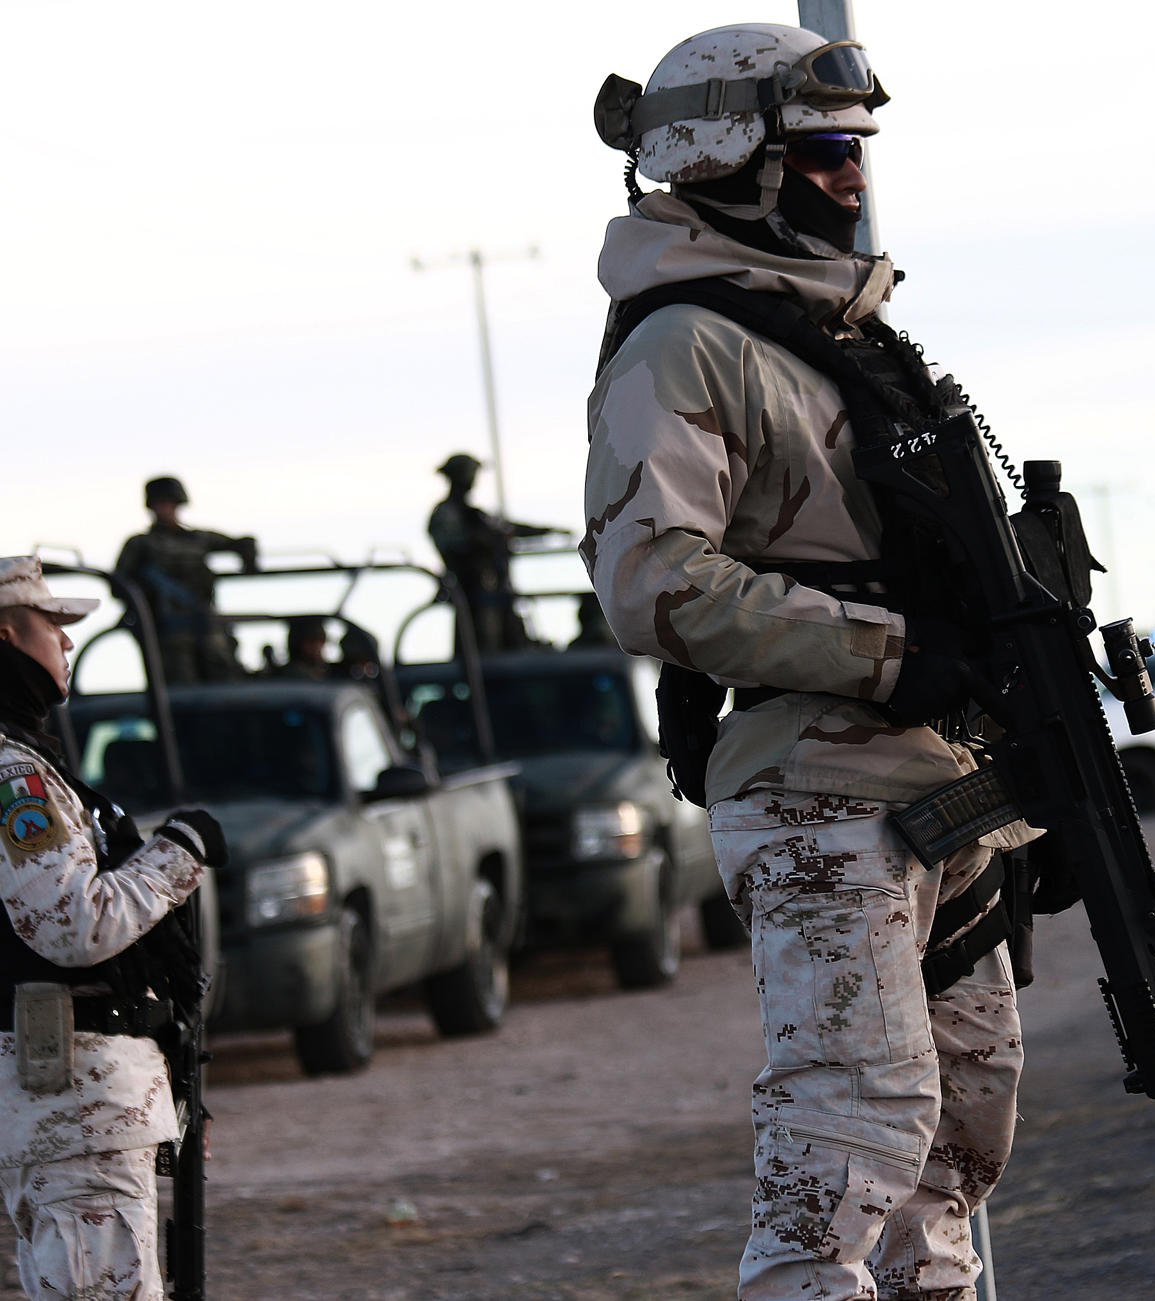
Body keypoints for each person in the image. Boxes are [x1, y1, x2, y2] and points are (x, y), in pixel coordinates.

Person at [585, 24, 1029, 1299]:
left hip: (938, 783)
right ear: (737, 162)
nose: (852, 178)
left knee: (959, 1131)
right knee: (846, 1134)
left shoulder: (845, 336)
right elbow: (651, 578)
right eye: (828, 149)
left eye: (856, 152)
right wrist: (893, 654)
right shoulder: (684, 346)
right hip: (816, 788)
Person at [0, 555, 225, 1301]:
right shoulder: (5, 773)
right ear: (9, 637)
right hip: (70, 1097)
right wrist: (182, 851)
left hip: (72, 1095)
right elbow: (73, 925)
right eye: (55, 628)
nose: (67, 646)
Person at [113, 476, 256, 683]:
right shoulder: (141, 545)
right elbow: (119, 586)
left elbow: (243, 543)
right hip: (168, 630)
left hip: (205, 623)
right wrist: (148, 592)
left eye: (170, 503)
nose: (166, 509)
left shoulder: (198, 539)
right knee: (179, 688)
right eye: (161, 504)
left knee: (225, 679)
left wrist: (248, 559)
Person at [427, 452, 559, 652]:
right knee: (480, 652)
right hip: (473, 596)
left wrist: (547, 531)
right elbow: (457, 546)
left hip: (495, 593)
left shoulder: (476, 516)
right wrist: (486, 541)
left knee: (509, 645)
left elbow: (507, 529)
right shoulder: (446, 515)